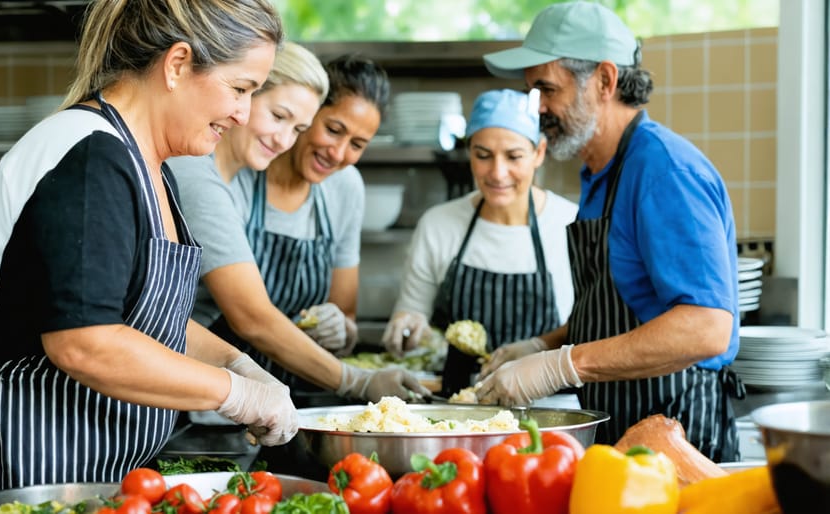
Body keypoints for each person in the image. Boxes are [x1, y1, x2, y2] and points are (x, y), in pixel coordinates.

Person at [0, 1, 297, 511]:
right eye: (240, 89)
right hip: (18, 464)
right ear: (177, 64)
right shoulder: (89, 157)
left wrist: (238, 364)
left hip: (89, 470)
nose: (242, 114)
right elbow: (85, 343)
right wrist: (235, 393)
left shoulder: (148, 163)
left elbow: (143, 314)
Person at [475, 1, 743, 462]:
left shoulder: (662, 169)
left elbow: (707, 328)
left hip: (677, 435)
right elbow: (626, 309)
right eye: (530, 92)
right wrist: (544, 344)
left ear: (604, 80)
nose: (535, 109)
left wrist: (562, 366)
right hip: (621, 432)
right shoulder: (600, 171)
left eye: (546, 89)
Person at [173, 54, 430, 406]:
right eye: (333, 129)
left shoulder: (344, 188)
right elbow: (251, 317)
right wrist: (357, 381)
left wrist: (340, 328)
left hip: (289, 390)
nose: (338, 153)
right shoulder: (222, 174)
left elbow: (345, 314)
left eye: (357, 144)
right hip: (210, 388)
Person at [382, 88, 578, 397]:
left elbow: (588, 329)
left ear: (539, 152)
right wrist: (407, 327)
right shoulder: (438, 224)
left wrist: (539, 346)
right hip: (459, 406)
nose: (497, 173)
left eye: (513, 156)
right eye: (483, 155)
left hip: (552, 408)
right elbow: (412, 312)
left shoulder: (571, 224)